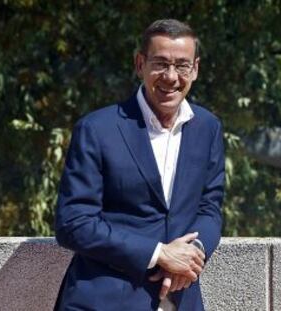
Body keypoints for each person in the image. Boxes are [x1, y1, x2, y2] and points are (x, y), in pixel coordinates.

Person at [54, 19, 225, 311]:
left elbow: (210, 209)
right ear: (139, 64)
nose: (171, 77)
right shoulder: (97, 129)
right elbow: (73, 223)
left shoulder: (207, 127)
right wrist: (159, 254)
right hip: (103, 302)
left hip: (182, 301)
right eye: (160, 63)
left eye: (182, 65)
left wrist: (192, 255)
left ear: (195, 69)